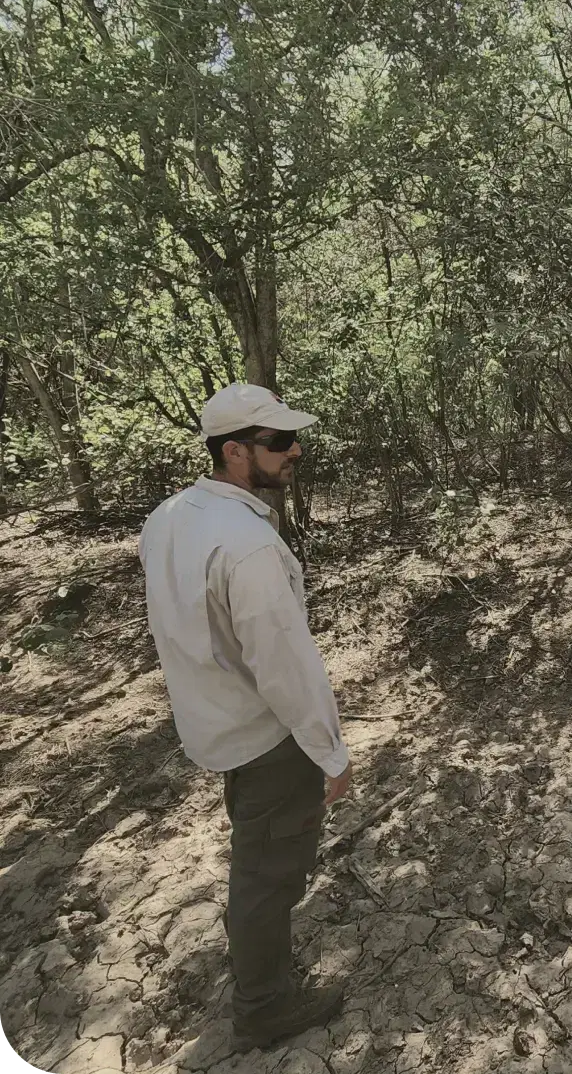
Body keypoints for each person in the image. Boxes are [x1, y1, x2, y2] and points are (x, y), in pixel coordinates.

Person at [140, 383, 354, 1053]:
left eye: (294, 438)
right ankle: (263, 1004)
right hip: (266, 739)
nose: (295, 452)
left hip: (216, 727)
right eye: (279, 442)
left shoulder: (169, 517)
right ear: (235, 452)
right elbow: (286, 668)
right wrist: (331, 754)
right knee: (266, 873)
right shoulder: (249, 546)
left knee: (256, 854)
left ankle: (260, 968)